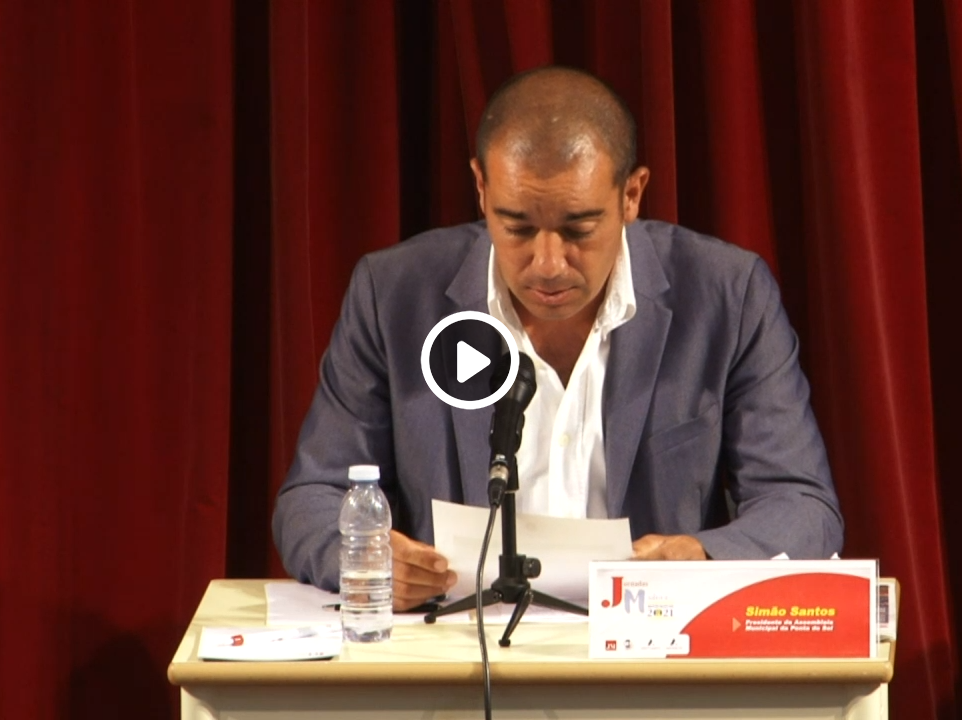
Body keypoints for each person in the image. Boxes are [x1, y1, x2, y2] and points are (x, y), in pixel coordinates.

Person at [273, 66, 843, 611]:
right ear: (480, 187)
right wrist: (364, 557)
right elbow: (311, 499)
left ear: (631, 195)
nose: (547, 264)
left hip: (647, 650)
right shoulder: (395, 296)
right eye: (517, 227)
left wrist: (701, 556)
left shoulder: (726, 296)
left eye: (578, 229)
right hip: (455, 652)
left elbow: (801, 504)